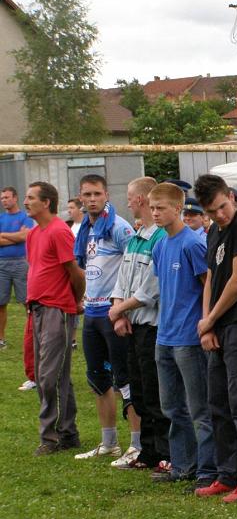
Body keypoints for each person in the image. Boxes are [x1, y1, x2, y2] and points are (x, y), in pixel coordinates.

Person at [193, 174, 237, 502]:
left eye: (222, 206)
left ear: (231, 197)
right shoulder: (213, 232)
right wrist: (207, 323)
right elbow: (211, 278)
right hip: (219, 326)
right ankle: (227, 474)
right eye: (211, 211)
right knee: (218, 402)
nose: (219, 215)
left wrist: (211, 319)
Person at [148, 183, 216, 492]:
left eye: (160, 208)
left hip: (188, 337)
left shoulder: (192, 244)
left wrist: (206, 323)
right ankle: (183, 465)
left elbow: (207, 284)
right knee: (172, 406)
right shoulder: (160, 244)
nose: (155, 213)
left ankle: (208, 469)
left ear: (178, 208)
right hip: (164, 335)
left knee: (199, 408)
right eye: (152, 208)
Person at [72, 175, 137, 461]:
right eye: (87, 194)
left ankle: (137, 443)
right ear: (81, 197)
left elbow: (134, 268)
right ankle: (109, 442)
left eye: (97, 194)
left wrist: (122, 308)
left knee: (125, 379)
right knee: (97, 378)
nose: (92, 199)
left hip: (114, 313)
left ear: (107, 195)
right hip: (92, 313)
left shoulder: (120, 227)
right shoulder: (84, 229)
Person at [108, 177, 170, 470]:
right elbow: (123, 280)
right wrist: (119, 312)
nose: (128, 201)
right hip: (132, 324)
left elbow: (150, 289)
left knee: (154, 390)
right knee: (139, 390)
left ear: (141, 199)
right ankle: (147, 451)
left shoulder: (159, 238)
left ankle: (164, 452)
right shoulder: (135, 238)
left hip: (151, 326)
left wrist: (120, 309)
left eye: (130, 196)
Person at [24, 182, 84, 455]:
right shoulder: (34, 234)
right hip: (37, 308)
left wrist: (74, 301)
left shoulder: (59, 231)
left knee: (50, 376)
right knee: (51, 374)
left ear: (46, 202)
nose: (26, 202)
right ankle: (68, 433)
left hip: (57, 309)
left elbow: (76, 273)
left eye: (31, 197)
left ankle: (51, 437)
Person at [0, 186, 34, 349]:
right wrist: (16, 237)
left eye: (7, 197)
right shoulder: (1, 218)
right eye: (2, 198)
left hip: (21, 263)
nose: (4, 201)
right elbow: (19, 237)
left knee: (27, 302)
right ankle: (1, 339)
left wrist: (3, 235)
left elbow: (25, 236)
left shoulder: (25, 217)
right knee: (1, 303)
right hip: (2, 264)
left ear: (15, 198)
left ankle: (33, 336)